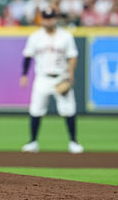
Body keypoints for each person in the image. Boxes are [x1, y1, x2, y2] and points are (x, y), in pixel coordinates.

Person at [20, 8, 84, 154]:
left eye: (51, 18)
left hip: (61, 77)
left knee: (69, 110)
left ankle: (74, 142)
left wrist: (70, 74)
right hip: (42, 78)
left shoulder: (65, 36)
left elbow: (73, 56)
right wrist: (24, 74)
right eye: (46, 18)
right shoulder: (35, 37)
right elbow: (28, 56)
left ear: (56, 19)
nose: (49, 21)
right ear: (42, 20)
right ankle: (33, 142)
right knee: (36, 110)